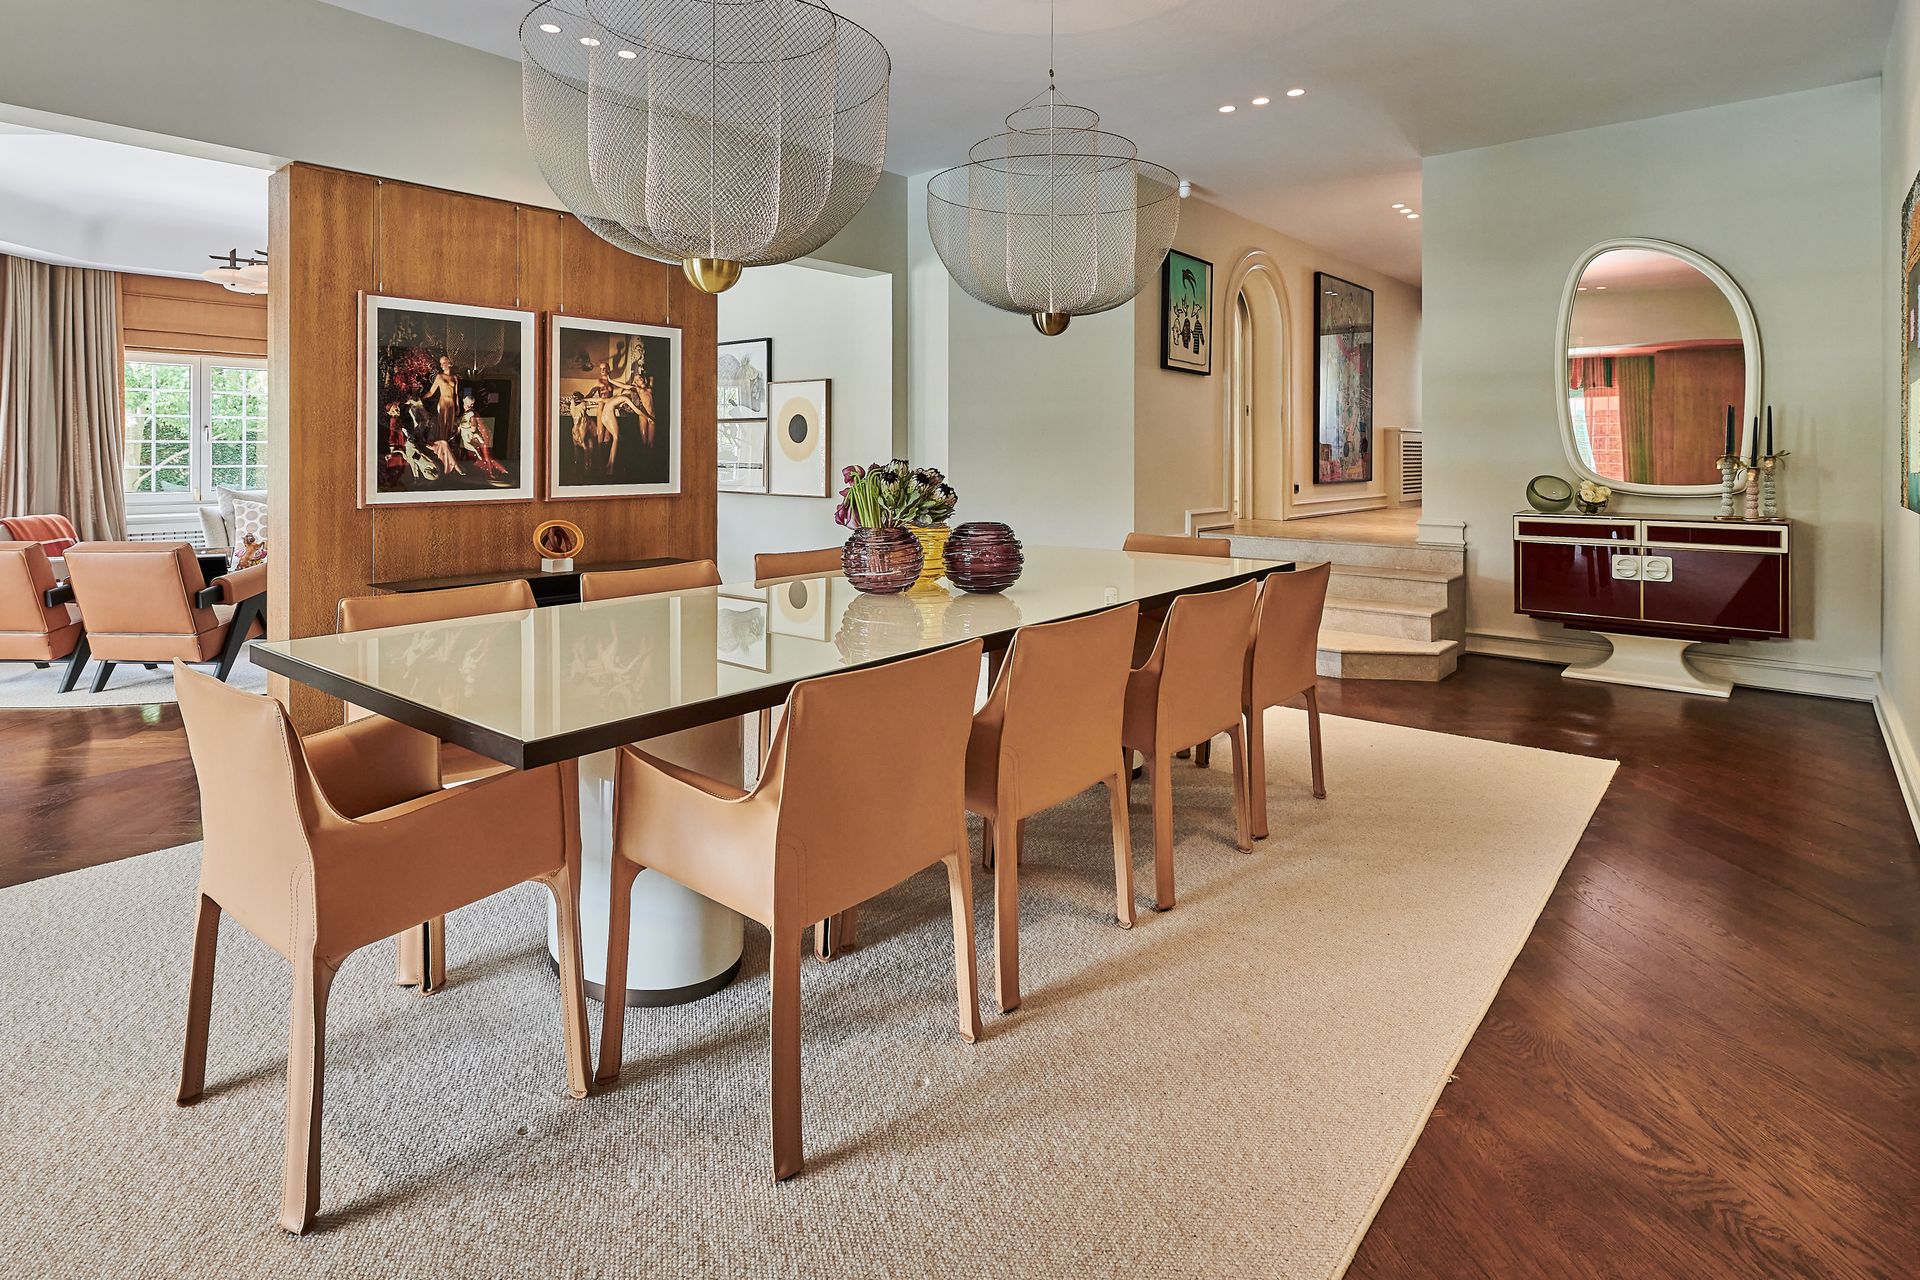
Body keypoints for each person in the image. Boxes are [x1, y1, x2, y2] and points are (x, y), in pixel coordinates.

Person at [457, 394, 509, 481]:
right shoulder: (466, 413)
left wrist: (464, 428)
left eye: (470, 404)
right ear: (463, 402)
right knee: (477, 455)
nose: (468, 406)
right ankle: (488, 473)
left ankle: (499, 472)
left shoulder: (471, 414)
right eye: (466, 403)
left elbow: (473, 428)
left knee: (486, 456)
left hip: (482, 436)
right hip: (477, 436)